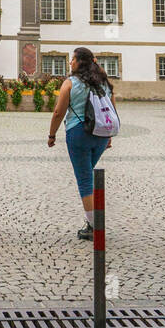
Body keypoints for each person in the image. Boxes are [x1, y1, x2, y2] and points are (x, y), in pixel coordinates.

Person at [47, 47, 114, 241]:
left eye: (73, 59)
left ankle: (94, 226)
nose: (70, 63)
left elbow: (58, 112)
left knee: (85, 179)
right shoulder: (104, 82)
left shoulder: (70, 83)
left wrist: (52, 135)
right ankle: (91, 220)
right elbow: (111, 109)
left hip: (79, 133)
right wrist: (109, 135)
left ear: (80, 62)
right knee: (88, 175)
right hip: (101, 133)